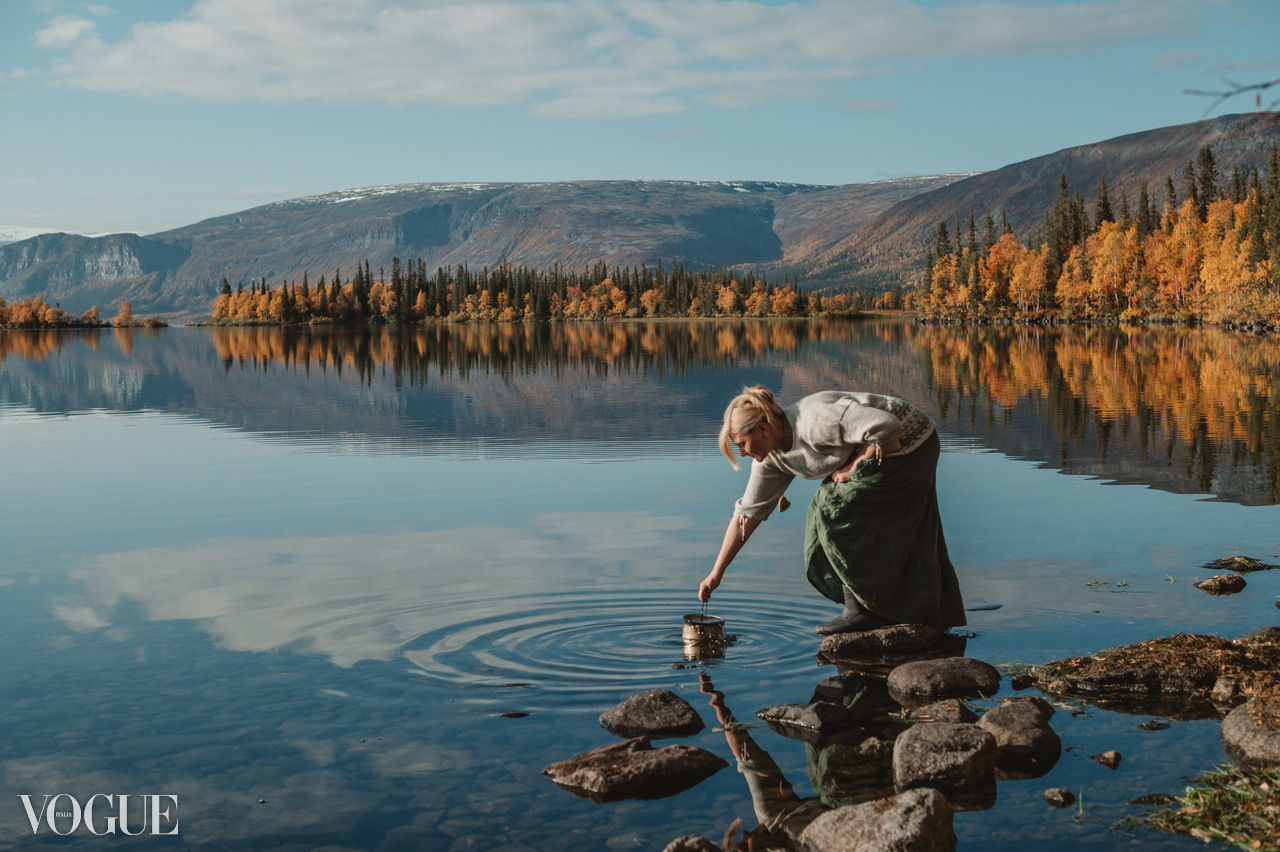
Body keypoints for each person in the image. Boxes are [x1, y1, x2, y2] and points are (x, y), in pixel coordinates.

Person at [698, 385, 965, 634]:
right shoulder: (770, 459)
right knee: (836, 512)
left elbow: (887, 425)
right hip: (885, 447)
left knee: (830, 506)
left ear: (763, 429)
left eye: (742, 444)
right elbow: (746, 516)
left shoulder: (814, 422)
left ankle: (861, 611)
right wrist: (716, 573)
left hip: (910, 443)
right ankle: (884, 608)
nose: (742, 453)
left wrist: (855, 464)